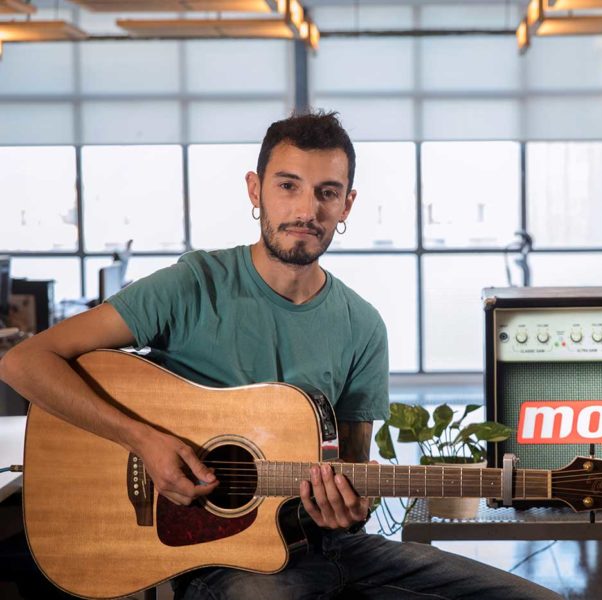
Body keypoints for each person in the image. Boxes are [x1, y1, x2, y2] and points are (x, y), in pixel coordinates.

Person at [0, 111, 562, 600]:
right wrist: (144, 440)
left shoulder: (362, 325)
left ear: (347, 204)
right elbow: (23, 362)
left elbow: (352, 470)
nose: (306, 210)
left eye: (326, 192)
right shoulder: (193, 285)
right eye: (288, 186)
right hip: (219, 559)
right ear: (255, 190)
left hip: (333, 547)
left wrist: (348, 506)